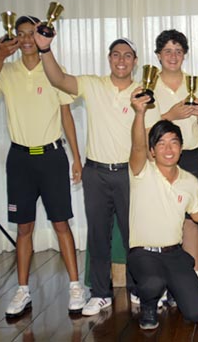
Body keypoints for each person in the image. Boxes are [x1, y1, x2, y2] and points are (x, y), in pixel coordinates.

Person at [40, 37, 161, 316]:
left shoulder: (144, 92)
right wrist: (45, 49)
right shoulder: (93, 84)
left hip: (130, 174)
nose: (121, 60)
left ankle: (136, 288)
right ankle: (100, 293)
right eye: (116, 55)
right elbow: (58, 79)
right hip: (96, 172)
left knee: (135, 236)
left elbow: (150, 136)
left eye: (127, 55)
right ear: (109, 59)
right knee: (97, 234)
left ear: (135, 61)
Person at [0, 15, 85, 318]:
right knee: (24, 227)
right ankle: (22, 290)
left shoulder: (53, 70)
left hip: (52, 157)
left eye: (32, 33)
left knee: (60, 223)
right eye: (22, 34)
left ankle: (74, 286)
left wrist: (76, 158)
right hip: (20, 159)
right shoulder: (7, 70)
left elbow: (67, 115)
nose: (27, 39)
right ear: (13, 37)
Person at [127, 92, 198, 330]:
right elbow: (137, 145)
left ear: (181, 147)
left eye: (174, 142)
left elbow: (197, 215)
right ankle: (148, 302)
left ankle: (174, 286)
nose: (168, 148)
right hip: (143, 253)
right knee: (153, 281)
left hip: (173, 253)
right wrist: (140, 113)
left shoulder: (188, 180)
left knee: (196, 312)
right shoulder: (142, 171)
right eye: (161, 143)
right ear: (152, 150)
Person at [152, 29, 198, 291]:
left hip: (190, 156)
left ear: (185, 55)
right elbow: (141, 127)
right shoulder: (148, 84)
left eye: (178, 51)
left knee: (191, 216)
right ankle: (159, 277)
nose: (173, 56)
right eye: (167, 51)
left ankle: (195, 272)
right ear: (158, 55)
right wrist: (170, 115)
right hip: (158, 159)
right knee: (160, 217)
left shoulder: (196, 83)